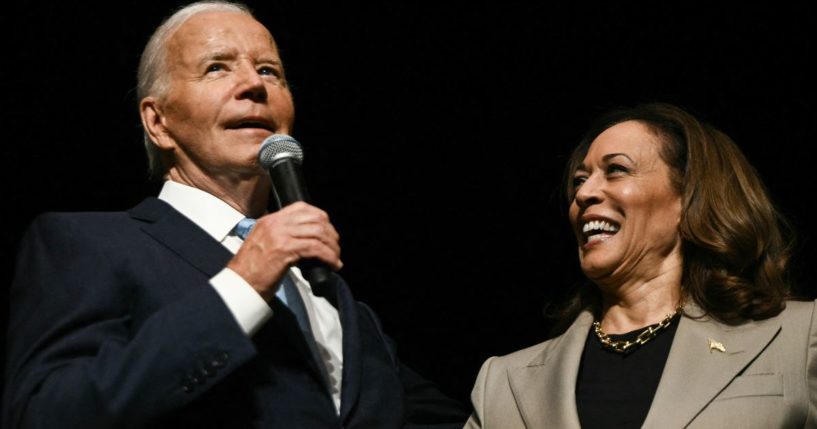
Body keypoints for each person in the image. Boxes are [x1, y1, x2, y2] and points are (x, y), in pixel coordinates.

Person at [2, 2, 467, 428]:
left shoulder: (333, 293)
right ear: (158, 122)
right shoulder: (85, 244)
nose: (254, 85)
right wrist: (243, 282)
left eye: (270, 70)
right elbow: (48, 413)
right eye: (217, 68)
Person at [465, 102, 817, 428]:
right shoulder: (502, 382)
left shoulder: (799, 339)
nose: (584, 194)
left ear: (689, 196)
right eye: (580, 181)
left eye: (616, 170)